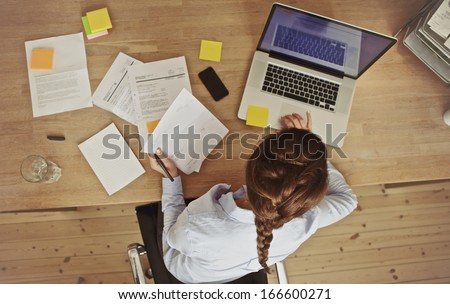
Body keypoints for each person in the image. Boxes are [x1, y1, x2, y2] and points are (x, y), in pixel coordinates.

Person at [149, 112, 358, 283]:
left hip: (185, 270)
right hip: (232, 268)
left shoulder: (196, 225)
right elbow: (348, 200)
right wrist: (309, 157)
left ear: (251, 168)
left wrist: (172, 178)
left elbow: (172, 239)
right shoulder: (307, 221)